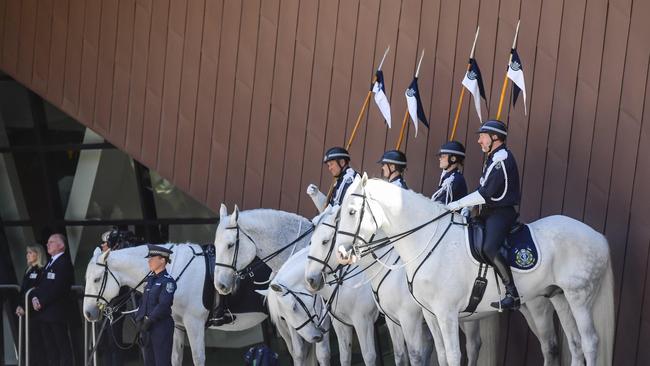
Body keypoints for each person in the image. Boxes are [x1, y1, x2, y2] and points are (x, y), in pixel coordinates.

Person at [447, 120, 521, 310]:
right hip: (488, 211)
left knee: (489, 248)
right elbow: (482, 188)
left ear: (495, 137)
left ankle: (512, 294)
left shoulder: (501, 158)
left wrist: (457, 204)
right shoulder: (492, 157)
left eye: (482, 136)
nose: (479, 140)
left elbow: (485, 193)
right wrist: (466, 209)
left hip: (501, 212)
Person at [30, 233, 75, 366]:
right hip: (44, 313)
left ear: (61, 245)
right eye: (48, 242)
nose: (47, 244)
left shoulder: (64, 262)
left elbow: (58, 288)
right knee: (50, 348)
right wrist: (34, 298)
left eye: (51, 242)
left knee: (62, 346)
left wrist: (42, 301)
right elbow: (40, 285)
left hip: (56, 313)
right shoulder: (50, 262)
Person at [135, 245, 176, 366]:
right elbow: (143, 302)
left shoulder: (168, 281)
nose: (149, 260)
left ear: (162, 260)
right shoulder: (150, 280)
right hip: (147, 328)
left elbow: (163, 304)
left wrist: (149, 321)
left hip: (161, 327)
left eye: (152, 258)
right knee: (149, 362)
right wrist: (139, 319)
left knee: (161, 362)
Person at [15, 245, 47, 366]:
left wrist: (25, 306)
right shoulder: (28, 270)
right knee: (28, 343)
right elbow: (23, 291)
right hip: (25, 312)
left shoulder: (41, 271)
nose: (27, 255)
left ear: (38, 254)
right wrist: (19, 305)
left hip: (35, 313)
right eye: (27, 252)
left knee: (38, 343)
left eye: (30, 252)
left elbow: (35, 292)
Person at [306, 146, 359, 213]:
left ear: (342, 162)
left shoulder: (350, 178)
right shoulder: (339, 180)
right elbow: (328, 210)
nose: (329, 168)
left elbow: (337, 211)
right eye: (328, 165)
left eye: (331, 164)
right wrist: (316, 195)